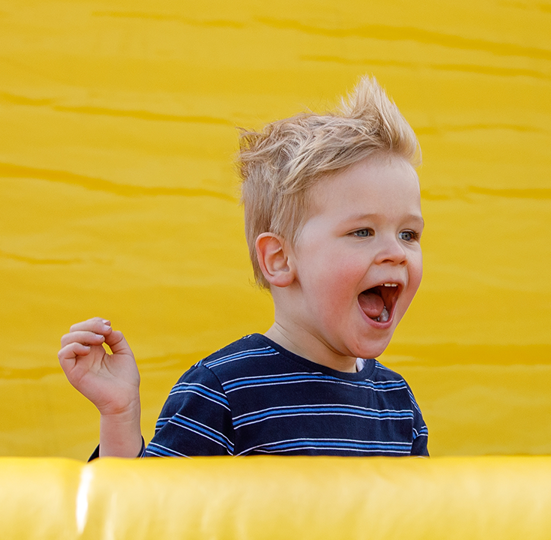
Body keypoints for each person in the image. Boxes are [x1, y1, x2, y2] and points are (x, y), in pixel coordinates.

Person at [57, 76, 429, 458]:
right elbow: (143, 513)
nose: (396, 253)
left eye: (408, 234)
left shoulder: (398, 405)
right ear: (280, 260)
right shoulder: (223, 392)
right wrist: (120, 414)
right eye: (363, 231)